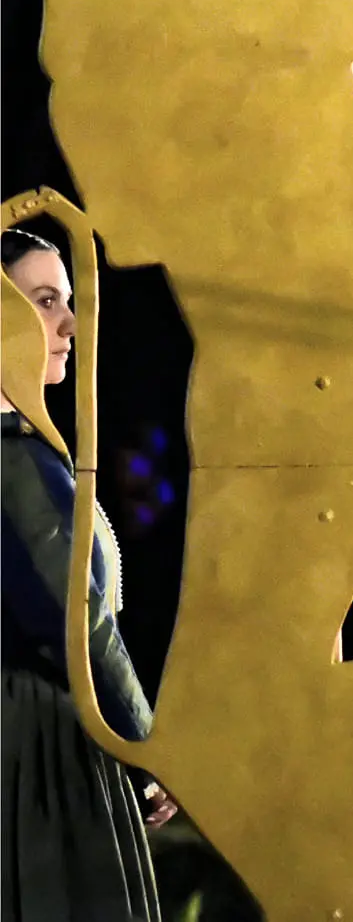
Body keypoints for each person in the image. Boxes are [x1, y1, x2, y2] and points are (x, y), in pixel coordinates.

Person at [2, 228, 173, 922]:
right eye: (45, 302)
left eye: (68, 301)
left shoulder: (26, 453)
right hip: (38, 748)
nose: (70, 324)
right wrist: (145, 740)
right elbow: (78, 619)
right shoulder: (14, 462)